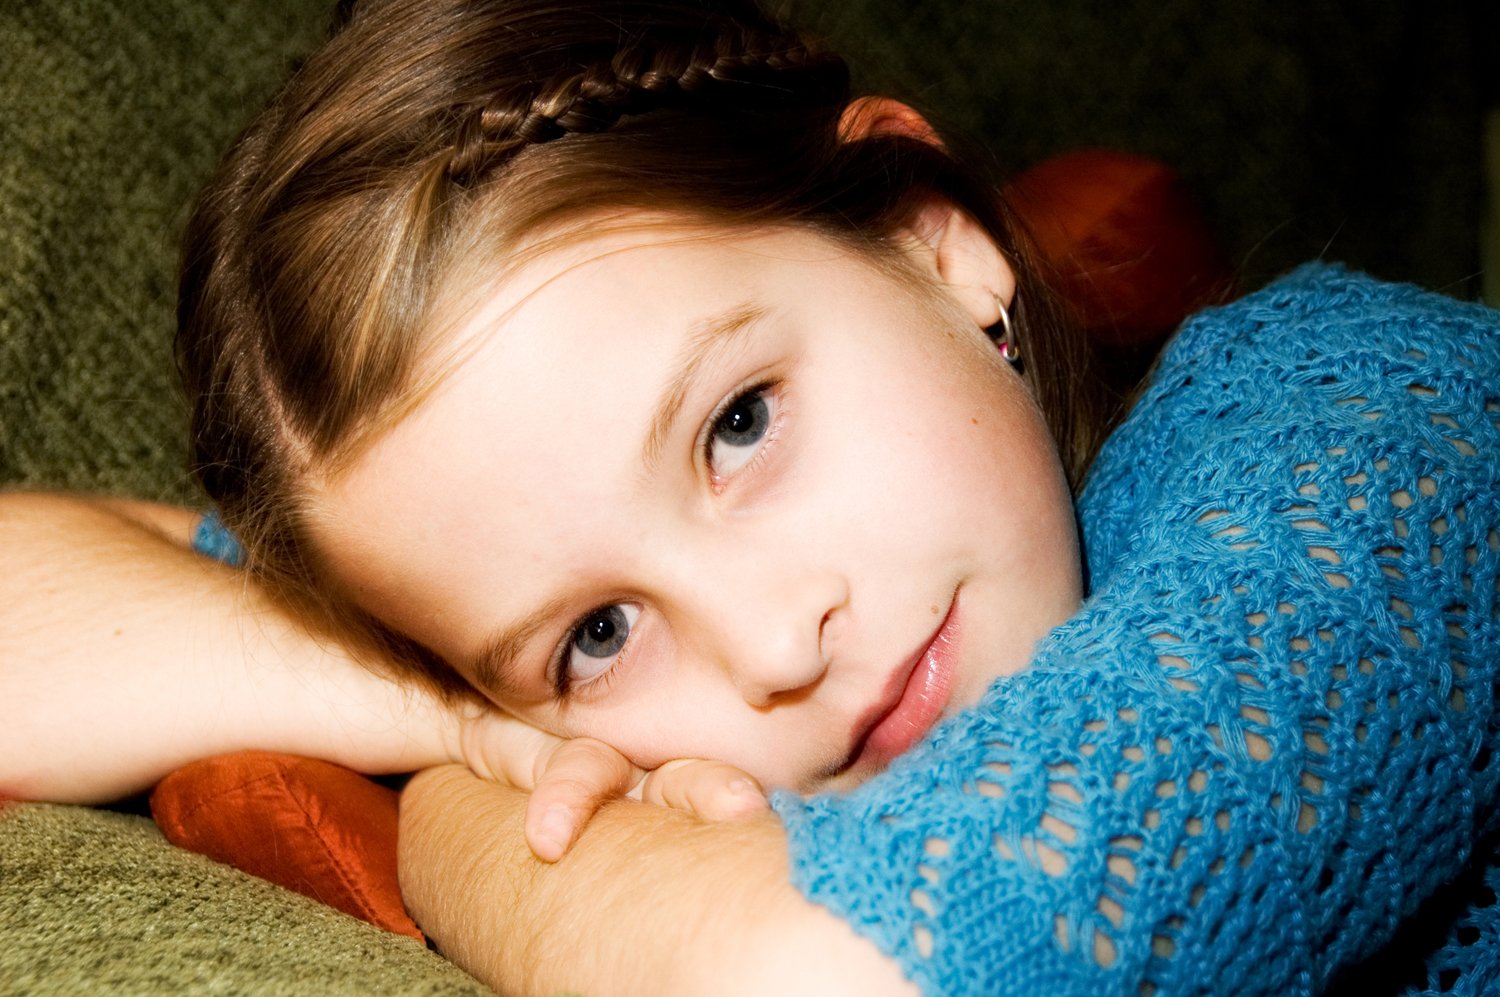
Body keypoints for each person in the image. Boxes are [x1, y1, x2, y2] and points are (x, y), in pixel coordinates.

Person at [3, 0, 1497, 994]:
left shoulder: (1384, 423)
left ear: (931, 240)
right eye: (595, 632)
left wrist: (453, 815)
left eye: (739, 423)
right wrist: (458, 715)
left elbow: (836, 977)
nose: (775, 646)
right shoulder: (501, 688)